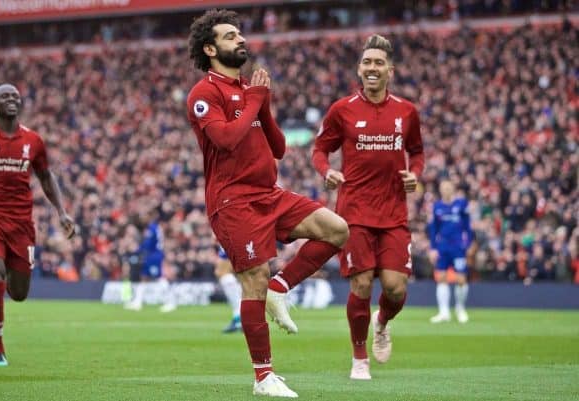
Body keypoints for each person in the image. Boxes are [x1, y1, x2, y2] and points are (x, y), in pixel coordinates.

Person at [187, 9, 349, 397]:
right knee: (252, 280)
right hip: (233, 201)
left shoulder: (248, 91)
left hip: (270, 194)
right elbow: (226, 140)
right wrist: (255, 100)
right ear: (210, 49)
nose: (240, 40)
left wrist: (263, 103)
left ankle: (283, 285)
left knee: (337, 229)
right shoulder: (203, 94)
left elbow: (277, 148)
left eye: (240, 34)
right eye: (230, 36)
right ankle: (263, 377)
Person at [312, 34, 424, 380]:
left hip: (393, 214)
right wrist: (326, 171)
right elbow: (319, 150)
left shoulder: (406, 111)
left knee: (395, 288)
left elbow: (417, 152)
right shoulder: (341, 110)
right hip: (354, 212)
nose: (371, 68)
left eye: (378, 63)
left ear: (390, 70)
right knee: (360, 284)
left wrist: (414, 175)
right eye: (366, 63)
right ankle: (359, 358)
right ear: (359, 70)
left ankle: (382, 322)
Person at [0, 83, 75, 366]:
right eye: (5, 96)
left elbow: (46, 177)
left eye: (15, 96)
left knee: (19, 293)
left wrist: (62, 212)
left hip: (21, 221)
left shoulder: (33, 141)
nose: (12, 100)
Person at [428, 180, 473, 323]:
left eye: (448, 187)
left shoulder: (461, 204)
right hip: (442, 247)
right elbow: (433, 229)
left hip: (458, 247)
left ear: (453, 189)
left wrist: (469, 243)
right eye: (443, 188)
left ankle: (460, 309)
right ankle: (444, 312)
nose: (445, 190)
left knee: (461, 279)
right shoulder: (437, 207)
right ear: (440, 190)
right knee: (441, 277)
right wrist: (433, 248)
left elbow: (468, 226)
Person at [124, 208, 175, 312]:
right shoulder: (154, 228)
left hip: (154, 255)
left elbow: (148, 244)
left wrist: (138, 249)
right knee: (144, 277)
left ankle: (170, 302)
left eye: (145, 216)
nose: (143, 219)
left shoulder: (152, 228)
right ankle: (137, 302)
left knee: (159, 277)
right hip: (152, 255)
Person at [215, 245, 242, 333]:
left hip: (229, 279)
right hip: (229, 279)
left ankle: (239, 322)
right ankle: (239, 321)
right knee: (236, 301)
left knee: (237, 302)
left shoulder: (227, 241)